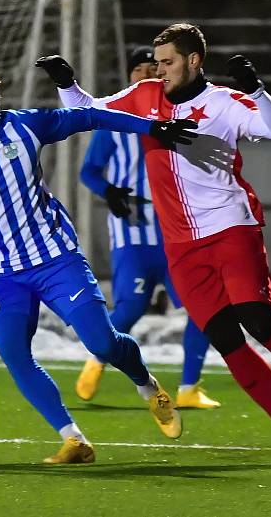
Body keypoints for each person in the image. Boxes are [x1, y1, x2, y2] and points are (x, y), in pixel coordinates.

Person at [37, 23, 271, 465]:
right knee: (225, 339)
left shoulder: (224, 103)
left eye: (169, 61)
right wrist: (67, 83)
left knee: (258, 320)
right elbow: (88, 112)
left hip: (231, 226)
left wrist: (257, 89)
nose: (161, 69)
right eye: (158, 61)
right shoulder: (145, 95)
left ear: (194, 61)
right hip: (180, 244)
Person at [0, 59, 197, 464]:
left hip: (55, 259)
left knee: (101, 343)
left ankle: (147, 384)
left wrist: (152, 127)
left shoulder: (26, 126)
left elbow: (88, 117)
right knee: (14, 353)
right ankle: (74, 439)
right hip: (2, 274)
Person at [74, 46, 219, 410]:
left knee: (203, 307)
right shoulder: (114, 120)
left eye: (153, 68)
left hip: (177, 230)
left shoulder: (178, 115)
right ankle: (97, 358)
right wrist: (109, 191)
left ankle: (189, 387)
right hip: (133, 229)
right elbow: (88, 171)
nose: (146, 74)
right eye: (138, 69)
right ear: (129, 76)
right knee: (132, 305)